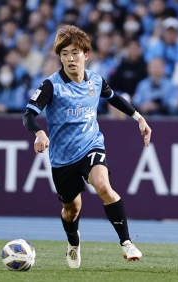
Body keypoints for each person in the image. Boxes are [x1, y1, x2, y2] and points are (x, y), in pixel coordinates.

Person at [23, 25, 152, 269]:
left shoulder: (95, 80)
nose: (70, 58)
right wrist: (39, 132)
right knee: (71, 210)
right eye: (64, 54)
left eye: (75, 52)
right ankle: (73, 243)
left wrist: (139, 118)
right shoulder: (51, 85)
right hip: (62, 158)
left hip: (91, 144)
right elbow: (29, 114)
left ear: (86, 54)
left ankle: (126, 243)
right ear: (59, 57)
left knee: (103, 185)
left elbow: (113, 97)